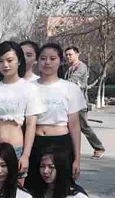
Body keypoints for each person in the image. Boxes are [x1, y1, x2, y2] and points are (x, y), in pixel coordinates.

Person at [0, 41, 45, 181]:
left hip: (15, 150)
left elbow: (31, 125)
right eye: (0, 61)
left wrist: (25, 155)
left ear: (19, 61)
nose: (5, 65)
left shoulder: (29, 89)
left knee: (13, 192)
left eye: (10, 60)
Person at [25, 43, 85, 190]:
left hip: (61, 143)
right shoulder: (28, 87)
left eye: (52, 58)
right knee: (34, 187)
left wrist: (77, 158)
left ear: (60, 61)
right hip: (36, 142)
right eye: (43, 58)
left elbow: (74, 125)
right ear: (37, 61)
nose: (47, 62)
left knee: (61, 187)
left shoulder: (70, 88)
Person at [65, 46, 106, 159]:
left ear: (77, 54)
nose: (68, 57)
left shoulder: (81, 67)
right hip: (70, 103)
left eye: (70, 54)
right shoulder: (70, 68)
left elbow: (72, 81)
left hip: (79, 103)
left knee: (84, 127)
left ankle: (99, 148)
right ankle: (68, 151)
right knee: (67, 127)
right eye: (66, 55)